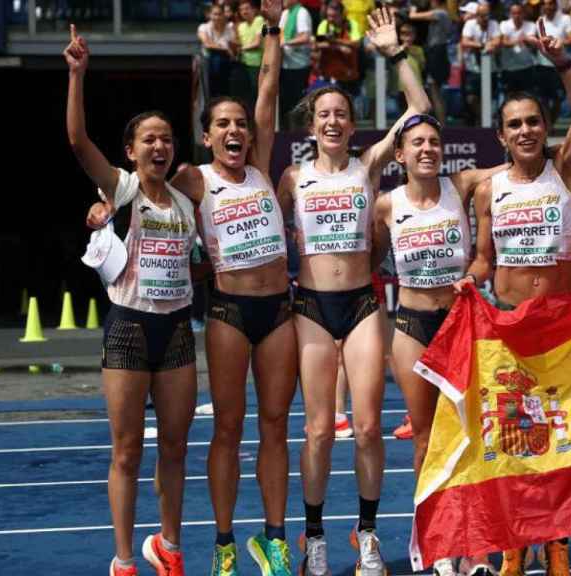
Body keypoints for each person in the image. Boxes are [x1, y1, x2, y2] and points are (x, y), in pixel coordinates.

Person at [277, 8, 431, 576]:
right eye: (325, 114)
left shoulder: (368, 167)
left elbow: (420, 112)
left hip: (365, 303)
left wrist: (395, 55)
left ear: (352, 121)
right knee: (319, 430)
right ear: (312, 123)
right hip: (312, 307)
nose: (335, 121)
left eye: (342, 113)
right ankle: (313, 537)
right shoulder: (293, 178)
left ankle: (366, 534)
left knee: (367, 426)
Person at [455, 17, 571, 576]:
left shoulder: (565, 171)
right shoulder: (490, 189)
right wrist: (471, 276)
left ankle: (556, 540)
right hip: (511, 326)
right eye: (514, 125)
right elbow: (485, 258)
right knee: (517, 436)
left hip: (563, 325)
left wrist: (563, 63)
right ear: (502, 135)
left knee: (562, 437)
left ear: (546, 127)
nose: (525, 131)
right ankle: (516, 541)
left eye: (533, 122)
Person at [66, 26, 198, 576]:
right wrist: (77, 75)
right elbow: (78, 142)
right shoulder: (121, 189)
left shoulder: (189, 200)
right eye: (149, 138)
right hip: (128, 327)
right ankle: (123, 560)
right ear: (130, 150)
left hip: (178, 333)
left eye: (166, 138)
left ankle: (168, 545)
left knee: (174, 450)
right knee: (126, 452)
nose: (160, 146)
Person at [173, 3, 297, 574]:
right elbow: (144, 191)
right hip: (226, 310)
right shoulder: (195, 180)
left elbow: (268, 84)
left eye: (240, 124)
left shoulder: (263, 164)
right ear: (207, 135)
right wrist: (107, 208)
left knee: (275, 424)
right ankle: (224, 543)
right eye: (223, 124)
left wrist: (272, 28)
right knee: (228, 428)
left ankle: (273, 536)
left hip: (278, 311)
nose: (234, 131)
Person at [370, 113, 508, 576]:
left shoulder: (461, 183)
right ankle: (440, 542)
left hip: (459, 324)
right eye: (417, 143)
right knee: (426, 438)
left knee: (471, 438)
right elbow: (366, 261)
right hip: (410, 326)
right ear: (401, 154)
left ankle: (478, 548)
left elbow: (522, 162)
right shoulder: (386, 206)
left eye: (434, 141)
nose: (427, 148)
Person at [408, 0, 455, 121]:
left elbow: (412, 16)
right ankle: (439, 122)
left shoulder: (440, 13)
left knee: (435, 92)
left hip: (437, 53)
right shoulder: (446, 14)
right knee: (434, 91)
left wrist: (413, 6)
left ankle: (441, 125)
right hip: (438, 53)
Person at [536, 0, 571, 128]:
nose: (548, 6)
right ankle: (548, 128)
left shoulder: (565, 19)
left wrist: (554, 41)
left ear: (555, 5)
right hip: (543, 65)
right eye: (545, 4)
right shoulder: (540, 21)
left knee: (558, 99)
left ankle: (550, 124)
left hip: (560, 65)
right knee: (544, 100)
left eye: (550, 3)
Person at [461, 2, 501, 126]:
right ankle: (482, 119)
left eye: (487, 15)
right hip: (473, 68)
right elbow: (465, 42)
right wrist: (482, 45)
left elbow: (497, 41)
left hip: (491, 68)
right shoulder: (470, 24)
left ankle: (486, 122)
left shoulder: (494, 24)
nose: (485, 18)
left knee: (489, 98)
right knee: (471, 98)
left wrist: (491, 44)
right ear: (476, 15)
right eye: (482, 15)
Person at [314, 1, 363, 95]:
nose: (330, 19)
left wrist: (335, 41)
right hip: (329, 74)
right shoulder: (324, 24)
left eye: (333, 16)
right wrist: (339, 47)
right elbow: (318, 43)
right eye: (328, 16)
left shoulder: (351, 25)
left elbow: (356, 44)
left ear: (342, 14)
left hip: (348, 74)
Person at [280, 0, 314, 129]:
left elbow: (305, 37)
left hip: (299, 66)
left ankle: (299, 133)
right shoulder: (285, 13)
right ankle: (288, 132)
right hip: (285, 65)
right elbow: (280, 35)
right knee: (286, 104)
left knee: (298, 104)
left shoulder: (301, 12)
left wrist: (286, 43)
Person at [199, 2, 239, 98]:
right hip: (209, 61)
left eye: (220, 14)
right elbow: (207, 44)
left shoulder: (229, 27)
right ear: (209, 15)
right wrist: (225, 48)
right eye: (215, 14)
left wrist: (231, 48)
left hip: (226, 62)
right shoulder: (203, 27)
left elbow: (235, 44)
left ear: (224, 15)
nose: (217, 17)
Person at [499, 3, 539, 95]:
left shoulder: (531, 25)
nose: (517, 15)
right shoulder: (504, 24)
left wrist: (512, 40)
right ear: (510, 14)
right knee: (509, 98)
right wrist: (520, 39)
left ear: (523, 13)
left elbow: (532, 43)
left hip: (527, 68)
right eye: (514, 13)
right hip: (508, 69)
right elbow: (504, 42)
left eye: (519, 13)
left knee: (528, 97)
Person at [233, 0, 266, 105]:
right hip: (243, 62)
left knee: (257, 92)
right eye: (241, 10)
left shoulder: (259, 20)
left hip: (257, 63)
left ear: (254, 10)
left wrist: (241, 48)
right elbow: (238, 43)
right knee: (246, 92)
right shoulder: (241, 26)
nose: (244, 12)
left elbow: (257, 43)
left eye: (247, 8)